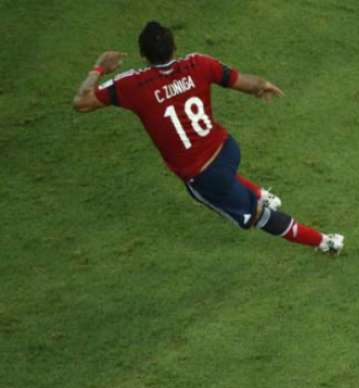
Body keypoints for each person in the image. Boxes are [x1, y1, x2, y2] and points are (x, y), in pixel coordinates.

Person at [72, 21, 343, 254]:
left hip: (205, 175)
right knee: (223, 171)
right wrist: (263, 85)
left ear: (143, 54)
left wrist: (98, 69)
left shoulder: (130, 85)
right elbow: (249, 83)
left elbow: (82, 102)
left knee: (259, 218)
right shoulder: (198, 63)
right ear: (174, 47)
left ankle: (324, 242)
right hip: (227, 149)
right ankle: (260, 194)